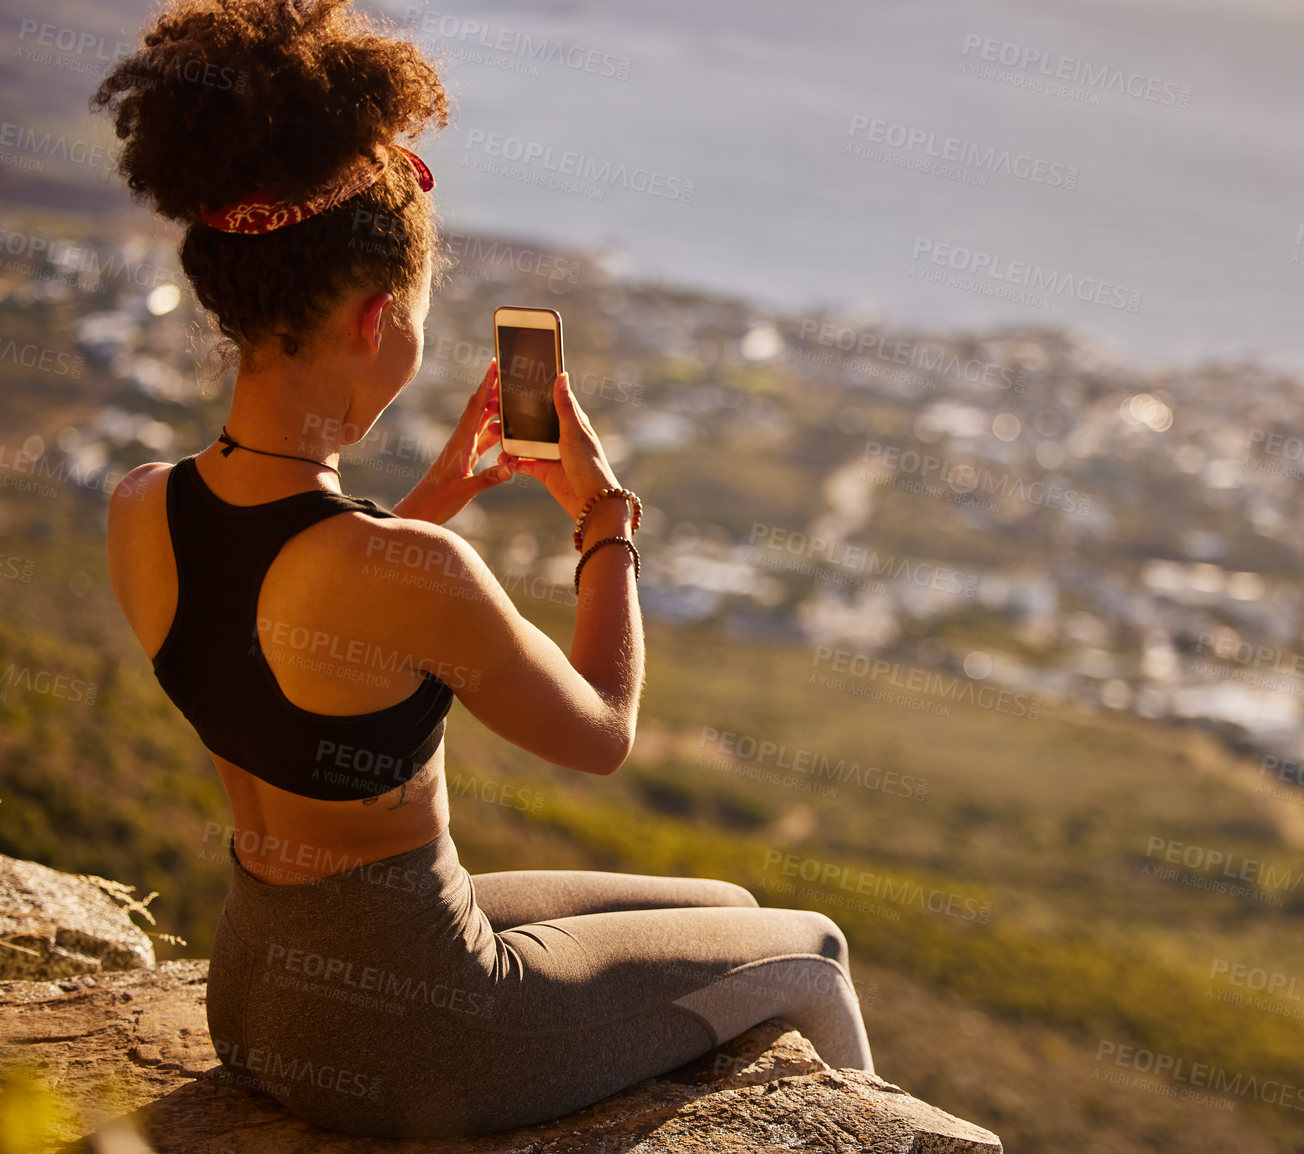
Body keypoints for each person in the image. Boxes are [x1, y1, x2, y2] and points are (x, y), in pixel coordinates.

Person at [94, 0, 871, 1138]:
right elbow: (601, 730)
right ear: (374, 320)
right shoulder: (411, 568)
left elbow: (302, 638)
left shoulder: (142, 506)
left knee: (732, 907)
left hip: (256, 992)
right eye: (416, 309)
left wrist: (448, 489)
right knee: (813, 946)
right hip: (421, 1029)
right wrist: (603, 517)